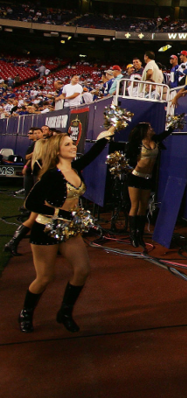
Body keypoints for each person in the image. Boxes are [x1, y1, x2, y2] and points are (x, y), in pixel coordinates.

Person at [18, 126, 116, 333]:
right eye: (68, 145)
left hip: (70, 229)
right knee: (45, 277)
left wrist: (106, 135)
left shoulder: (76, 167)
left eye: (73, 144)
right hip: (45, 228)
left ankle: (65, 312)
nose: (73, 147)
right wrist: (59, 213)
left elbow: (92, 154)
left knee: (82, 270)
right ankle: (26, 313)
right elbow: (31, 203)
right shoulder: (52, 175)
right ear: (57, 150)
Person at [124, 122, 174, 249]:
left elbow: (166, 133)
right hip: (136, 177)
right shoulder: (137, 144)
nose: (152, 129)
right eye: (150, 128)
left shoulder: (156, 141)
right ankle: (132, 235)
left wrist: (174, 125)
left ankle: (139, 234)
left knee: (143, 206)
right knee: (135, 205)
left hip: (148, 177)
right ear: (144, 131)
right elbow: (128, 159)